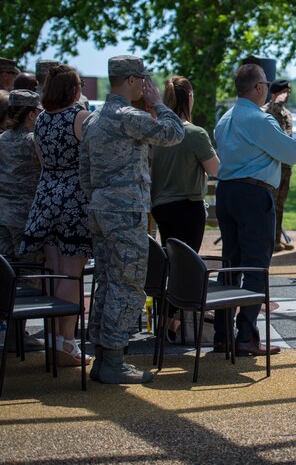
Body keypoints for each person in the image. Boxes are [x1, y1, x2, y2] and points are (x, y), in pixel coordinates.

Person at [80, 55, 184, 384]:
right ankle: (112, 362)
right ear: (130, 80)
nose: (146, 85)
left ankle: (103, 358)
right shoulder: (127, 116)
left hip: (100, 208)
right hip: (125, 212)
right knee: (127, 286)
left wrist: (101, 198)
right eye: (142, 79)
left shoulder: (93, 120)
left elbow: (85, 173)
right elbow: (173, 133)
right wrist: (159, 103)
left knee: (107, 284)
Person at [213, 63, 296, 356]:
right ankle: (246, 335)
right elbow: (291, 153)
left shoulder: (224, 118)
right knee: (254, 266)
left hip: (227, 192)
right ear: (260, 88)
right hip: (253, 194)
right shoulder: (259, 119)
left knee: (230, 264)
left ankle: (222, 334)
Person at [19, 66, 94, 367]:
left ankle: (53, 337)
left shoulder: (40, 122)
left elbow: (41, 161)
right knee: (72, 272)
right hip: (73, 197)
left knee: (53, 268)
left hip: (45, 196)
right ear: (73, 89)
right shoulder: (80, 118)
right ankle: (68, 341)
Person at [150, 75, 219, 343]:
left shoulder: (156, 132)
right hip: (188, 206)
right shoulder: (194, 133)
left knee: (168, 264)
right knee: (186, 267)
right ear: (189, 98)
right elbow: (214, 169)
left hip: (161, 207)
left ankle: (169, 320)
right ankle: (172, 322)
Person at [0, 90, 42, 260]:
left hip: (3, 214)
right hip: (26, 217)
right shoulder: (34, 141)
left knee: (6, 273)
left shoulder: (1, 139)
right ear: (31, 114)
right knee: (29, 274)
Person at [266, 79, 294, 253]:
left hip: (286, 167)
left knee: (280, 204)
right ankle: (268, 240)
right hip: (272, 166)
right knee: (270, 204)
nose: (288, 95)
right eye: (284, 92)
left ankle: (276, 239)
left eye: (288, 92)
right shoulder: (267, 111)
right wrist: (276, 105)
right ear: (275, 93)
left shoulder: (287, 113)